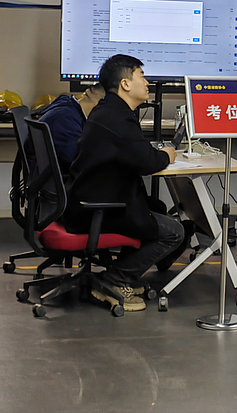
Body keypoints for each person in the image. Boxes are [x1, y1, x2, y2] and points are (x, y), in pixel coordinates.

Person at [65, 54, 184, 312]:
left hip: (88, 200)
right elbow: (147, 162)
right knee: (175, 232)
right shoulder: (117, 118)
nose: (147, 83)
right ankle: (116, 279)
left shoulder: (109, 111)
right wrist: (167, 154)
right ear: (125, 84)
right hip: (97, 208)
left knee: (157, 207)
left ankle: (123, 275)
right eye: (142, 76)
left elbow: (134, 152)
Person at [38, 84, 105, 173]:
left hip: (50, 173)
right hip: (56, 176)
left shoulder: (68, 108)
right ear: (99, 105)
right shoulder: (65, 120)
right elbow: (78, 162)